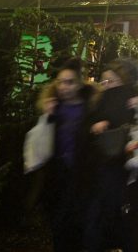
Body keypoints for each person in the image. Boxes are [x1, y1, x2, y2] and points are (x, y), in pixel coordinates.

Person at [85, 59, 138, 252]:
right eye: (104, 82)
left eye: (113, 82)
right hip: (106, 183)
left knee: (135, 234)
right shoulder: (97, 106)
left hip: (133, 183)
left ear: (125, 83)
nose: (107, 87)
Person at [39, 57, 95, 252]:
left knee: (80, 229)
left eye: (69, 82)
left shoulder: (91, 108)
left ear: (80, 83)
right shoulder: (53, 108)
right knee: (60, 228)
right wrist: (48, 117)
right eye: (60, 82)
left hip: (83, 178)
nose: (63, 87)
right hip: (58, 178)